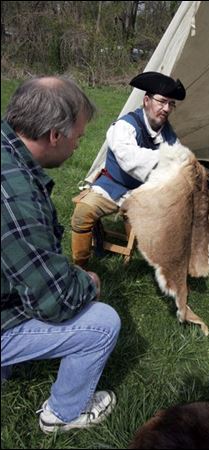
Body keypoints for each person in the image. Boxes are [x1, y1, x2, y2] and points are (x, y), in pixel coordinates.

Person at [1, 76, 121, 433]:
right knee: (102, 323)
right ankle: (63, 414)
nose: (77, 145)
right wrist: (87, 281)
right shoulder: (15, 200)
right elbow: (57, 299)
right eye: (79, 137)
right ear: (55, 135)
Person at [71, 71, 186, 267]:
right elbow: (131, 160)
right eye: (162, 102)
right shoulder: (125, 126)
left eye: (171, 104)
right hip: (113, 186)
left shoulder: (168, 133)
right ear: (147, 100)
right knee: (82, 213)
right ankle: (79, 267)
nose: (166, 108)